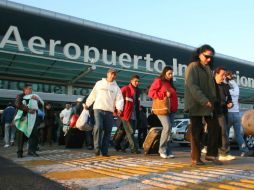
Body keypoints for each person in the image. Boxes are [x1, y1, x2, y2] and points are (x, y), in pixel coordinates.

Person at [184, 44, 221, 165]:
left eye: (211, 57)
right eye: (206, 56)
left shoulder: (208, 69)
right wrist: (204, 100)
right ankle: (196, 157)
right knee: (196, 130)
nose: (209, 59)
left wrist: (214, 100)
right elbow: (192, 86)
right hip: (196, 103)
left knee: (215, 126)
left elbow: (211, 88)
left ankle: (211, 154)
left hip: (209, 104)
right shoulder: (192, 67)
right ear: (199, 54)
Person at [85, 68, 124, 156]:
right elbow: (93, 94)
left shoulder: (116, 87)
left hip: (109, 111)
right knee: (98, 127)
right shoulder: (99, 83)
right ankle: (97, 148)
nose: (113, 76)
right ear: (107, 74)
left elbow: (119, 99)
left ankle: (104, 151)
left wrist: (119, 109)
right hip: (98, 109)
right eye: (111, 74)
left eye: (114, 74)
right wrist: (87, 104)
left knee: (108, 131)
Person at [148, 66, 178, 159]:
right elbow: (150, 93)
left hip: (171, 110)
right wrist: (164, 94)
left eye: (172, 74)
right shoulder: (159, 81)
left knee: (169, 130)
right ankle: (161, 150)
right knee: (167, 127)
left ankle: (168, 151)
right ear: (164, 73)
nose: (171, 75)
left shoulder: (170, 84)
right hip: (162, 109)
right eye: (169, 73)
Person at [14, 83, 44, 158]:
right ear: (25, 90)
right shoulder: (20, 96)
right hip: (23, 118)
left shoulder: (35, 96)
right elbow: (18, 104)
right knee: (21, 135)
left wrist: (37, 100)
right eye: (29, 89)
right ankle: (19, 152)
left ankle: (31, 151)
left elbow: (40, 106)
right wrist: (28, 110)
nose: (31, 90)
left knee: (34, 134)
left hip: (33, 118)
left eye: (31, 89)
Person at [225, 71, 249, 157]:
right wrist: (231, 79)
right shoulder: (237, 90)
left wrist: (227, 79)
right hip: (237, 114)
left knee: (226, 134)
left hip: (228, 114)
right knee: (238, 134)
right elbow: (234, 84)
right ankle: (244, 150)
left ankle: (226, 152)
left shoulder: (226, 91)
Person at [213, 67, 235, 161]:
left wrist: (230, 103)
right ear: (216, 74)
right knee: (212, 132)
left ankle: (224, 153)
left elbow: (229, 99)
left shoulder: (225, 86)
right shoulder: (210, 85)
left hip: (222, 111)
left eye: (224, 75)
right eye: (222, 75)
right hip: (210, 111)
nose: (223, 77)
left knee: (223, 131)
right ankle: (207, 148)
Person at [119, 74, 141, 154]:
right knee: (131, 132)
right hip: (126, 114)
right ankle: (134, 149)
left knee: (131, 132)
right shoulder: (125, 89)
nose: (137, 83)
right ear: (131, 81)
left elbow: (137, 103)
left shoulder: (138, 91)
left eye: (138, 81)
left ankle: (122, 146)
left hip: (134, 115)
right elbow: (118, 99)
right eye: (135, 81)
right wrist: (118, 110)